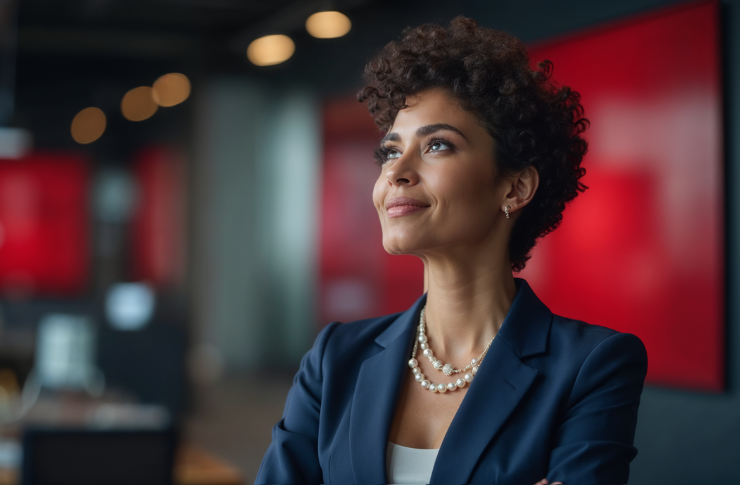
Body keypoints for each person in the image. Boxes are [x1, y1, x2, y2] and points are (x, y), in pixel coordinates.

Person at [256, 16, 647, 485]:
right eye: (389, 151)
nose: (395, 172)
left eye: (437, 145)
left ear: (516, 187)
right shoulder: (334, 358)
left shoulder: (592, 365)